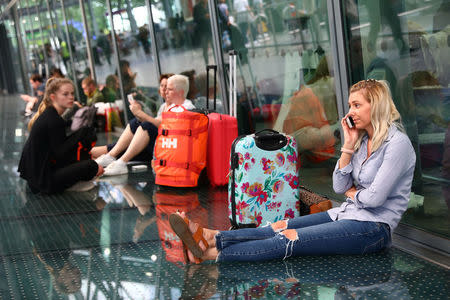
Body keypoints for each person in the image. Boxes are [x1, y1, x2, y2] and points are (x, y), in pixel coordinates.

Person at [170, 79, 416, 263]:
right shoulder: (362, 141)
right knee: (278, 226)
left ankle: (209, 253)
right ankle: (211, 236)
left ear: (377, 106)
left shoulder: (397, 144)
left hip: (372, 229)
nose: (350, 112)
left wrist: (354, 194)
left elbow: (375, 200)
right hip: (345, 213)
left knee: (288, 238)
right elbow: (339, 187)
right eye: (350, 105)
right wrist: (349, 146)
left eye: (357, 105)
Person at [93, 74, 195, 176]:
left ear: (180, 92)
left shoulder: (187, 107)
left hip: (171, 148)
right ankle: (110, 157)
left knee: (146, 127)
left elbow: (164, 125)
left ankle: (119, 161)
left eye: (170, 89)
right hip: (163, 144)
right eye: (164, 87)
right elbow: (159, 122)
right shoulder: (171, 106)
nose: (165, 91)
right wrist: (138, 114)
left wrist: (140, 113)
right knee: (135, 124)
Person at [18, 78, 103, 194]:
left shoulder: (50, 114)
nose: (71, 97)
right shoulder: (53, 120)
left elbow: (58, 151)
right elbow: (60, 155)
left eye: (72, 93)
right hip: (44, 182)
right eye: (65, 94)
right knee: (92, 166)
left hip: (36, 179)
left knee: (84, 141)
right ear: (53, 97)